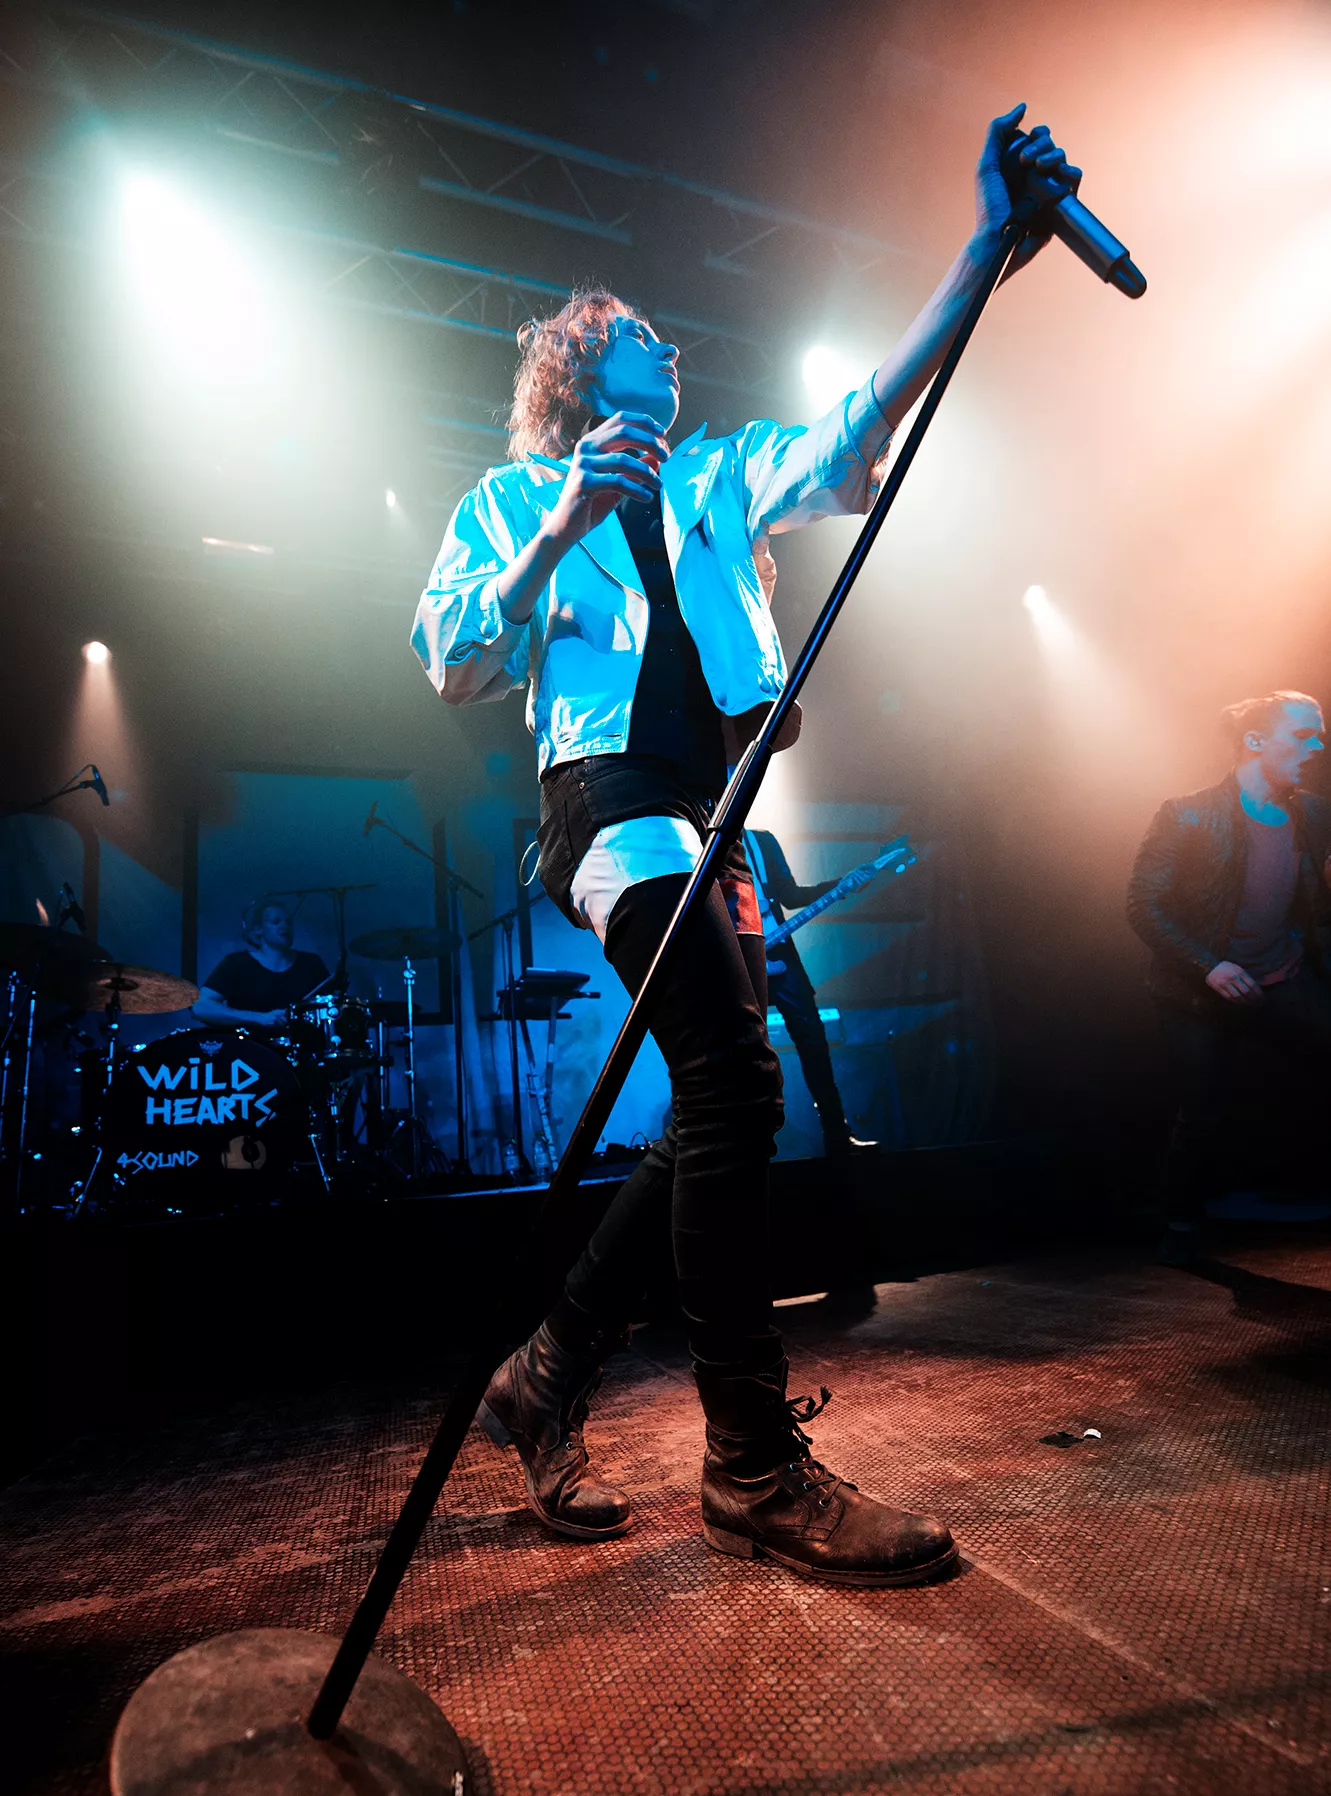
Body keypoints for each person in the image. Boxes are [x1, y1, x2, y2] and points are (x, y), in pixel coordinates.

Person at [413, 107, 1078, 1585]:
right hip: (603, 804)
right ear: (578, 367)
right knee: (730, 1071)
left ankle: (545, 1370)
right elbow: (452, 659)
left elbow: (855, 428)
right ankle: (750, 1469)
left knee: (720, 1095)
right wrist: (554, 528)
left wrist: (980, 251)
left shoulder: (716, 480)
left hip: (713, 819)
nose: (669, 344)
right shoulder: (512, 498)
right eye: (637, 333)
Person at [1127, 691, 1331, 1260]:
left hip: (1282, 974)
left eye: (1319, 735)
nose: (1317, 747)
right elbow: (1143, 906)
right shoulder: (1186, 813)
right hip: (1198, 989)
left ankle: (1297, 1188)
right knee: (1202, 1108)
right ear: (1255, 740)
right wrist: (1208, 966)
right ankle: (1180, 1226)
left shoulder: (1313, 812)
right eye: (1303, 735)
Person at [744, 825, 875, 1155]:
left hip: (780, 954)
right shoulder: (703, 845)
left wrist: (841, 885)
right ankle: (745, 1144)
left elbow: (789, 895)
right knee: (743, 1053)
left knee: (814, 1041)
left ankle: (837, 1132)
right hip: (739, 960)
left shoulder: (761, 841)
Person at [194, 900, 330, 1030]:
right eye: (276, 922)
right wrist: (260, 1018)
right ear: (258, 929)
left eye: (288, 922)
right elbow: (200, 1007)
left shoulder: (311, 963)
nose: (285, 926)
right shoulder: (237, 963)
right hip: (252, 1045)